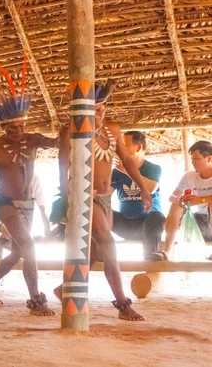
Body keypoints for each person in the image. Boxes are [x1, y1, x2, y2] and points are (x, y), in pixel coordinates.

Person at [56, 81, 151, 321]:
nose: (98, 115)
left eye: (101, 109)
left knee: (93, 255)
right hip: (84, 197)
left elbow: (128, 161)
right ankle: (122, 305)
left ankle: (62, 289)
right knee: (110, 245)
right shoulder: (70, 131)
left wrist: (143, 188)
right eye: (93, 110)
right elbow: (63, 168)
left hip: (106, 199)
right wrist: (70, 201)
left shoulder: (113, 130)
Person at [0, 58, 56, 316]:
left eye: (22, 126)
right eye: (13, 128)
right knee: (29, 245)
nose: (19, 131)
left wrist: (74, 128)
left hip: (28, 204)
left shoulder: (33, 140)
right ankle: (36, 300)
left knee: (16, 252)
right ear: (3, 127)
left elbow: (56, 144)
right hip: (4, 204)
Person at [111, 131, 165, 260]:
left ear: (139, 147)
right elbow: (105, 193)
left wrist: (126, 171)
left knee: (157, 216)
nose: (120, 149)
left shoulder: (153, 168)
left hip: (147, 226)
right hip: (124, 225)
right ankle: (101, 252)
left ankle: (151, 254)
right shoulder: (116, 172)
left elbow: (151, 189)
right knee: (99, 210)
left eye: (125, 145)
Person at [163, 140, 212, 259]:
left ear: (209, 158)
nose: (193, 162)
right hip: (198, 223)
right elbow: (172, 197)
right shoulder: (189, 176)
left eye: (197, 158)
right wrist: (179, 200)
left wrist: (201, 200)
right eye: (192, 159)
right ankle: (166, 252)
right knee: (176, 205)